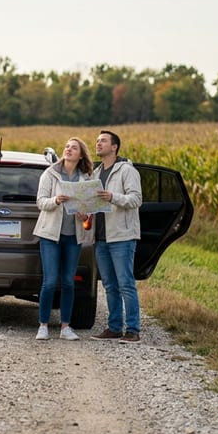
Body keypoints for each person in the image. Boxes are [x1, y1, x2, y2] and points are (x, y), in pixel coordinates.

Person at [33, 137, 95, 341]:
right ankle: (43, 326)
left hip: (73, 236)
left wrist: (84, 214)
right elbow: (41, 202)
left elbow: (89, 208)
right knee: (50, 282)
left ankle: (65, 327)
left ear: (81, 154)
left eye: (74, 148)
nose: (69, 149)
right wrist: (56, 200)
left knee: (68, 282)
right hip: (50, 235)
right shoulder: (50, 173)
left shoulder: (86, 177)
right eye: (67, 146)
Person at [89, 130, 144, 344]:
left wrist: (113, 197)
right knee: (110, 285)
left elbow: (136, 199)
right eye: (97, 141)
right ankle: (114, 328)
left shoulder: (127, 171)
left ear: (114, 147)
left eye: (103, 141)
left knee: (125, 283)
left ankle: (133, 330)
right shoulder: (95, 173)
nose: (98, 143)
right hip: (101, 238)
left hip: (122, 236)